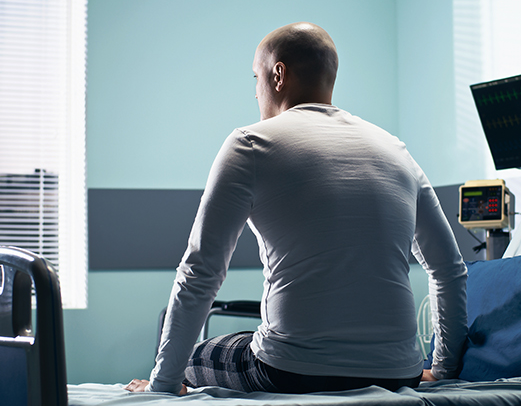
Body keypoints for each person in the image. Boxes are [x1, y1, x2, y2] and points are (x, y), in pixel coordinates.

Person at [126, 22, 467, 395]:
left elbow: (200, 271)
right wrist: (443, 370)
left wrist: (162, 386)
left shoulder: (250, 144)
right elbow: (449, 269)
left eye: (256, 78)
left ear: (278, 74)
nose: (255, 93)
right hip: (397, 372)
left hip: (290, 371)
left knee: (195, 357)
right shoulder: (397, 151)